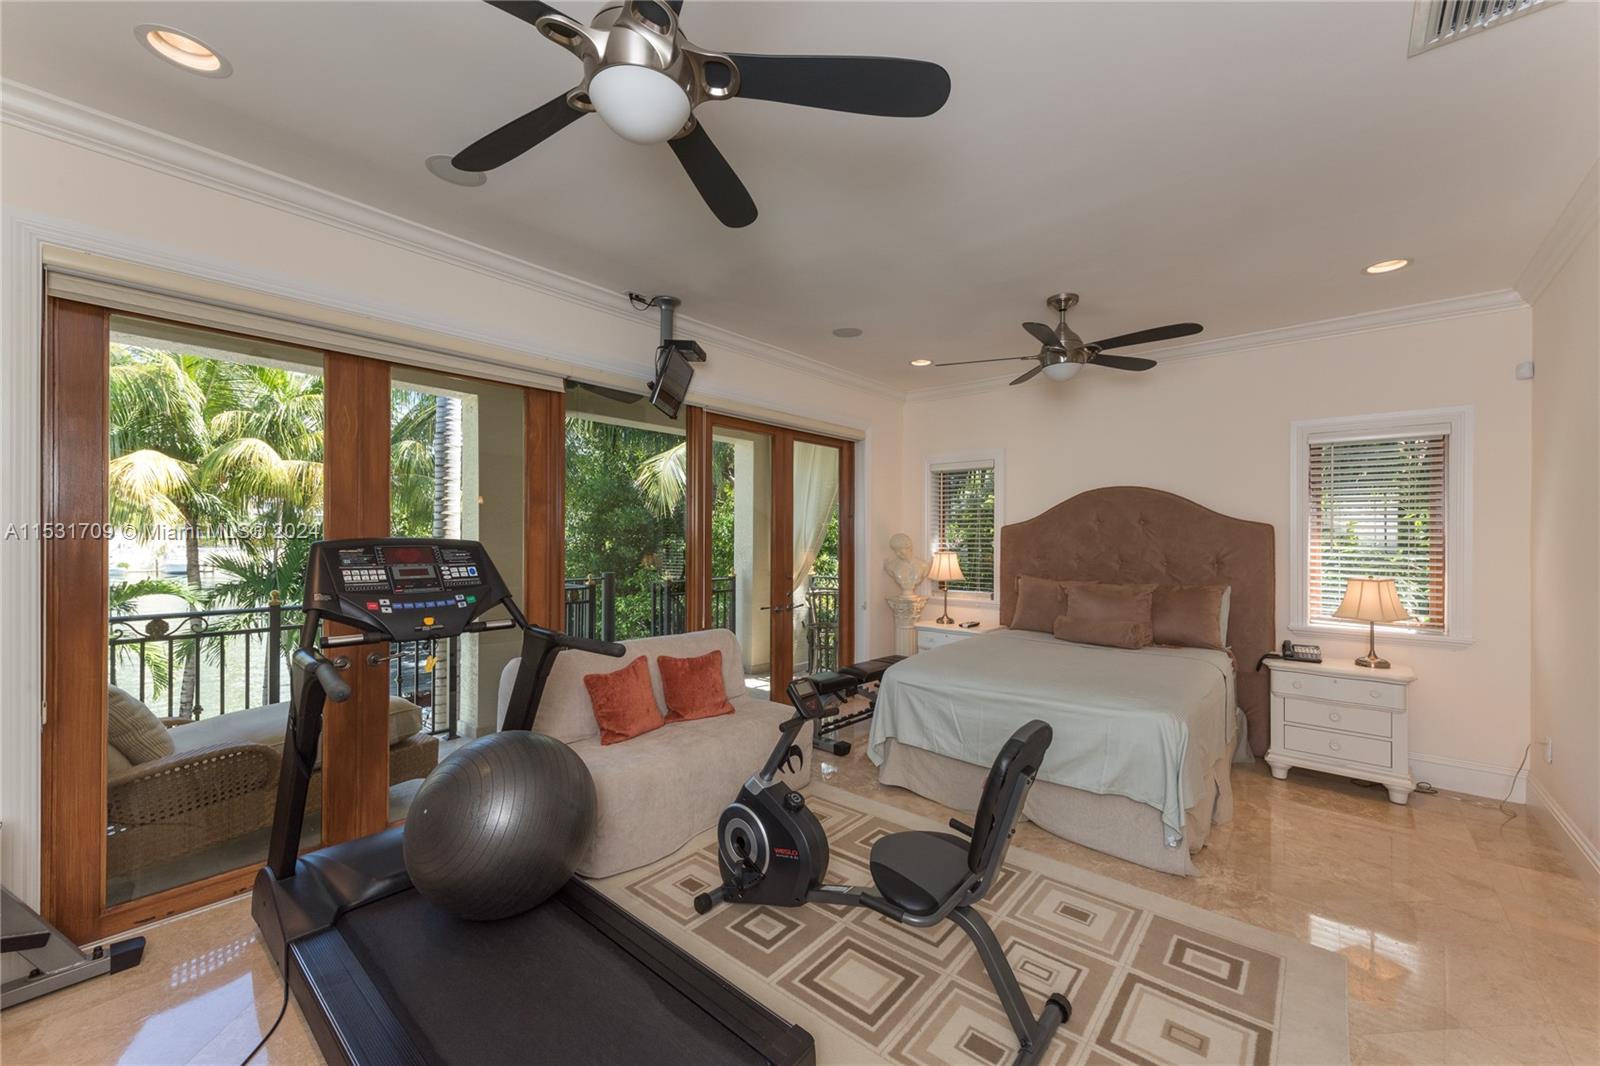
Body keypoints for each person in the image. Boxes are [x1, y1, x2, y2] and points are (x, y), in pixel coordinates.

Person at [883, 533, 930, 599]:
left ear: (909, 547)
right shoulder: (891, 566)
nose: (897, 553)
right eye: (895, 550)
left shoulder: (924, 566)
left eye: (900, 549)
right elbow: (889, 568)